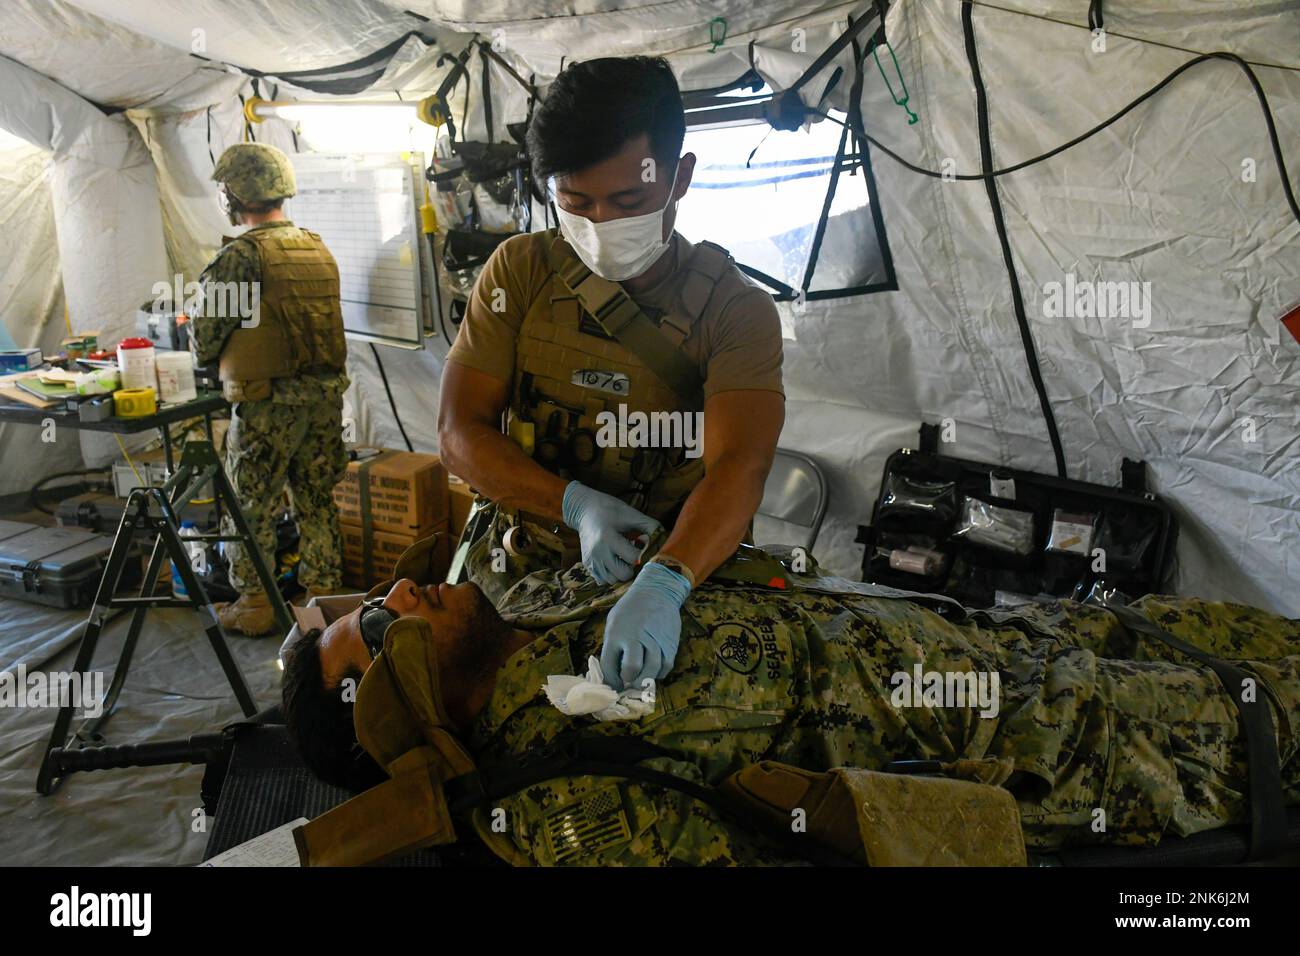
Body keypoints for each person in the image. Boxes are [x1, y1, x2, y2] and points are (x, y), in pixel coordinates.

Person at [282, 543, 1300, 866]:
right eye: (375, 632)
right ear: (391, 709)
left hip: (1028, 640)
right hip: (1082, 739)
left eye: (373, 601)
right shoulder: (564, 795)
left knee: (1255, 631)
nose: (399, 597)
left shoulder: (531, 617)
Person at [437, 55, 785, 692]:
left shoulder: (734, 310)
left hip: (664, 582)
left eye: (629, 201)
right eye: (576, 203)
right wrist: (573, 506)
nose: (601, 225)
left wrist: (667, 581)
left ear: (679, 177)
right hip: (521, 570)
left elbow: (740, 466)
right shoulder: (519, 272)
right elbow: (459, 431)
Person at [190, 142, 350, 636]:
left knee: (251, 504)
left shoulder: (239, 257)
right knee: (316, 499)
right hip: (323, 400)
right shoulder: (316, 247)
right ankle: (323, 603)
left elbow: (205, 336)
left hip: (267, 405)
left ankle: (256, 603)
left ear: (237, 194)